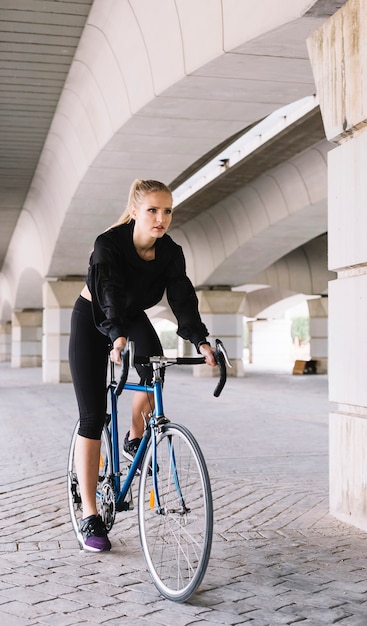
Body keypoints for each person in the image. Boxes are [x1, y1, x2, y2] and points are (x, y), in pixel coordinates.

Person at [69, 179, 217, 552]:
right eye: (152, 210)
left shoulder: (170, 252)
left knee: (154, 373)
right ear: (135, 211)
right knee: (93, 416)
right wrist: (115, 335)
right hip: (93, 318)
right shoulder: (109, 243)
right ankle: (90, 515)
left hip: (131, 317)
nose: (161, 218)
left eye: (167, 210)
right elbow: (108, 292)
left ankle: (136, 437)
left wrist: (200, 339)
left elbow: (182, 297)